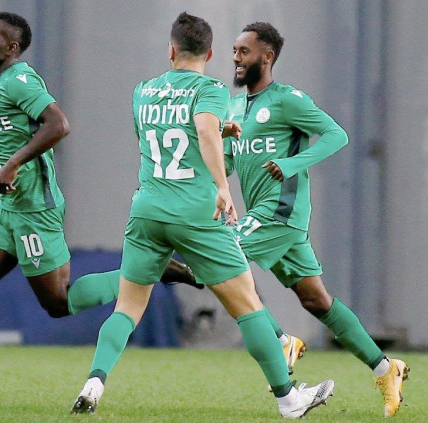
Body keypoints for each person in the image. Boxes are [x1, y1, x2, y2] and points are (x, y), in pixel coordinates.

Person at [0, 12, 198, 407]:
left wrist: (12, 165)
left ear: (11, 47)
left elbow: (58, 125)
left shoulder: (20, 80)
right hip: (10, 206)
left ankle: (153, 270)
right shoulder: (1, 83)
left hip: (35, 210)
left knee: (58, 303)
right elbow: (16, 141)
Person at [70, 13, 334, 419]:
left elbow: (163, 137)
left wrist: (215, 130)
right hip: (195, 212)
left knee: (127, 306)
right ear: (210, 54)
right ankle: (289, 400)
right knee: (248, 305)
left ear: (171, 50)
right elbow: (204, 131)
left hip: (147, 209)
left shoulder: (143, 90)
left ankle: (94, 382)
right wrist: (223, 188)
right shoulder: (210, 88)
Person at [224, 22, 409, 417]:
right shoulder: (235, 107)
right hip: (269, 217)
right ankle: (385, 368)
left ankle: (280, 341)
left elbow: (335, 135)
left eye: (244, 51)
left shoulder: (287, 99)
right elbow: (226, 162)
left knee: (219, 259)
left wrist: (292, 163)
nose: (236, 58)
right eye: (235, 51)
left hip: (279, 211)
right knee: (315, 299)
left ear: (267, 57)